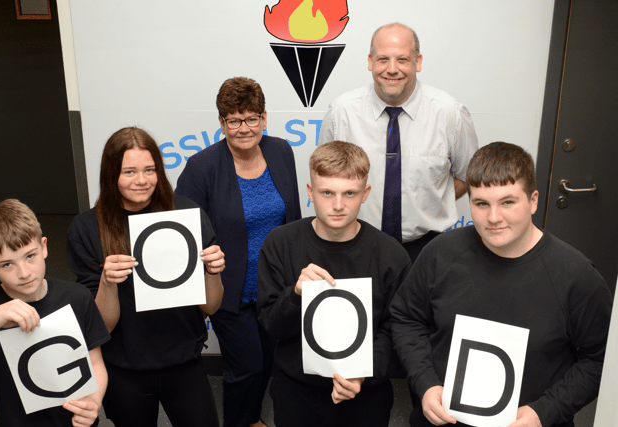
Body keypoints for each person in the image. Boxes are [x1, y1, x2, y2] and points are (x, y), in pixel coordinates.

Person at [390, 141, 611, 427]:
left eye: (508, 202)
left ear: (533, 200)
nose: (493, 218)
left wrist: (544, 411)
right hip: (444, 421)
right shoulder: (441, 253)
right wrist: (426, 383)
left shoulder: (577, 276)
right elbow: (406, 318)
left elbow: (600, 360)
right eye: (481, 203)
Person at [67, 127, 224, 427]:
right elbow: (103, 325)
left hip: (185, 360)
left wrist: (213, 272)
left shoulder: (186, 214)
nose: (142, 180)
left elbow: (212, 307)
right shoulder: (86, 229)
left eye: (150, 169)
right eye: (129, 171)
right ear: (110, 174)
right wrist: (107, 283)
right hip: (125, 368)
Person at [175, 77, 301, 427]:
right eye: (234, 120)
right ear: (222, 123)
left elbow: (293, 218)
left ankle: (252, 418)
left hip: (275, 288)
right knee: (245, 368)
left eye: (251, 118)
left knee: (268, 363)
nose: (244, 128)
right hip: (229, 290)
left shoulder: (280, 151)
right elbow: (184, 233)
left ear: (264, 117)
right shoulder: (202, 167)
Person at [257, 141, 411, 427]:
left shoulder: (391, 255)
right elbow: (270, 325)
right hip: (296, 393)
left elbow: (398, 331)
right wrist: (296, 294)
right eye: (327, 192)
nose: (338, 205)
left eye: (349, 193)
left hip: (365, 394)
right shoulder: (280, 243)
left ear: (365, 194)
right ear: (310, 192)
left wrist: (364, 372)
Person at [319, 22, 478, 262]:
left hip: (427, 249)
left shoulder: (450, 114)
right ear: (370, 61)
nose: (392, 69)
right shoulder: (342, 112)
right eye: (383, 59)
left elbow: (469, 176)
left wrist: (430, 200)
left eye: (402, 59)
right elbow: (326, 178)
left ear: (418, 62)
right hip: (354, 247)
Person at [0, 199, 110, 427]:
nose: (24, 273)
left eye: (30, 256)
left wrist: (94, 401)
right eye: (7, 264)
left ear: (44, 247)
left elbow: (95, 362)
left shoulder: (77, 297)